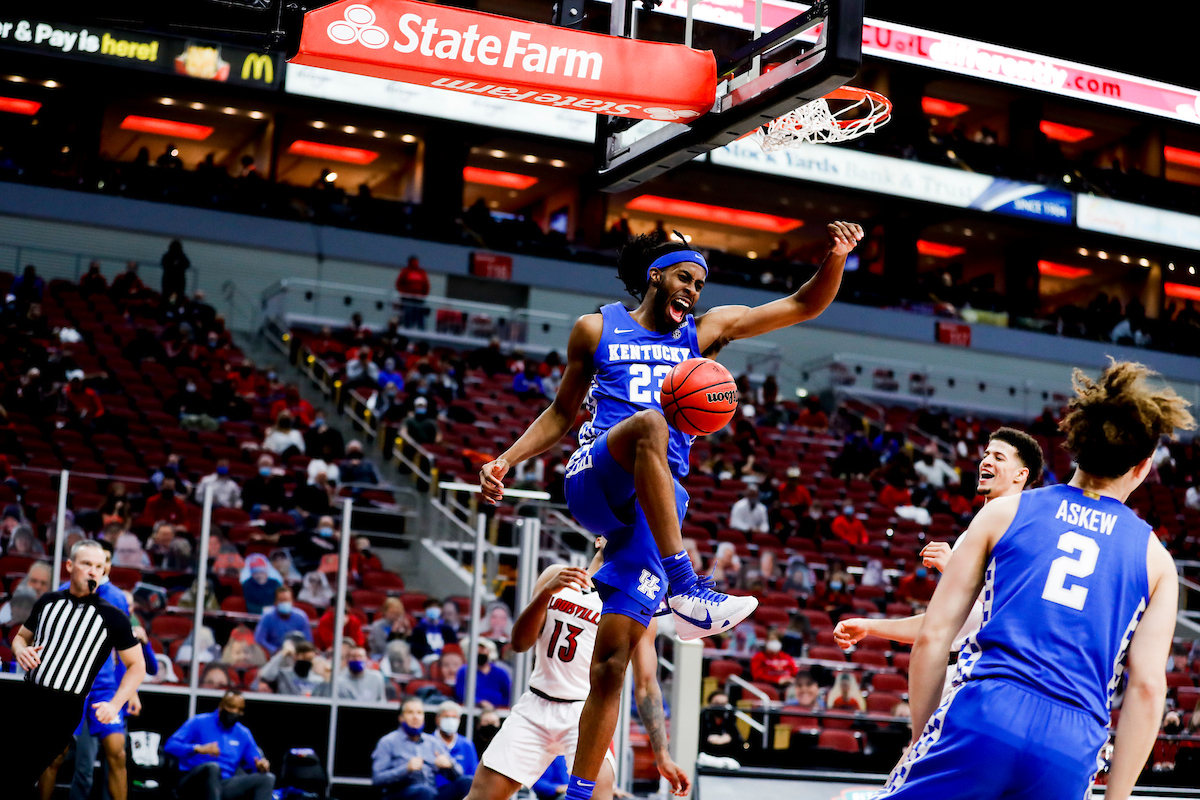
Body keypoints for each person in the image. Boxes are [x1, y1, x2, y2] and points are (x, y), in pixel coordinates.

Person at [479, 222, 860, 800]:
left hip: (657, 506)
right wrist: (506, 459)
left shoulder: (705, 332)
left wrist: (835, 258)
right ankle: (685, 587)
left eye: (701, 283)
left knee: (613, 662)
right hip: (596, 476)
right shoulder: (595, 328)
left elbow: (803, 304)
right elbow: (561, 412)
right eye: (685, 277)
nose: (694, 290)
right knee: (652, 423)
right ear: (656, 275)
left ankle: (580, 792)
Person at [878, 362, 1191, 800]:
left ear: (1074, 445)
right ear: (1142, 467)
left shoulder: (1005, 512)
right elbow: (1146, 687)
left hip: (986, 711)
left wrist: (924, 736)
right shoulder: (1156, 561)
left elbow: (934, 637)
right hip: (1071, 743)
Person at [461, 543, 688, 800]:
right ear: (600, 539)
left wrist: (662, 754)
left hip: (586, 713)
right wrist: (546, 594)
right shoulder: (557, 575)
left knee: (598, 796)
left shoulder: (636, 602)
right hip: (536, 703)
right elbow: (520, 644)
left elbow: (647, 684)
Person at [835, 427, 1045, 699]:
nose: (987, 461)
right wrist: (870, 627)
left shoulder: (1025, 535)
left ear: (1021, 475)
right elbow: (942, 623)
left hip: (987, 680)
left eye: (999, 457)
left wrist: (956, 569)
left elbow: (1017, 614)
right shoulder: (970, 536)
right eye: (986, 454)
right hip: (950, 676)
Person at [3, 540, 146, 796]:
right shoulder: (48, 600)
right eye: (87, 564)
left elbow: (137, 665)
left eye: (99, 566)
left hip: (67, 704)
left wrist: (115, 704)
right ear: (70, 566)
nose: (93, 571)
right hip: (30, 696)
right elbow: (20, 637)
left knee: (31, 768)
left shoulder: (112, 616)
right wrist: (21, 651)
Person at [164, 690, 274, 800]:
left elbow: (256, 761)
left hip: (224, 783)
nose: (234, 712)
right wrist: (197, 748)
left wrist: (261, 766)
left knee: (267, 778)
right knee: (212, 768)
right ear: (221, 706)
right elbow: (169, 747)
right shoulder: (199, 722)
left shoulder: (243, 733)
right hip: (193, 780)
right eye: (231, 707)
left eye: (239, 709)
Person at [373, 697, 472, 800]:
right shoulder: (388, 742)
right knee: (424, 791)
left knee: (467, 782)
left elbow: (459, 774)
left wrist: (449, 765)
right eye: (410, 713)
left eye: (419, 713)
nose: (415, 717)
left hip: (432, 793)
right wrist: (406, 769)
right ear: (401, 717)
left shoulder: (432, 742)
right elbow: (377, 779)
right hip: (400, 794)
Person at [253, 586, 312, 655]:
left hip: (297, 654)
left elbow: (308, 641)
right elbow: (259, 639)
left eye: (287, 600)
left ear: (292, 601)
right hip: (273, 654)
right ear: (275, 602)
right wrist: (275, 650)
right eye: (281, 600)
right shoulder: (267, 616)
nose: (284, 603)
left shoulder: (301, 617)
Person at [317, 644, 387, 701]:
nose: (357, 659)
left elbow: (381, 700)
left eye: (360, 656)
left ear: (366, 659)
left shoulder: (376, 677)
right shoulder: (339, 679)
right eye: (353, 656)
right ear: (347, 660)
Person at [258, 638, 325, 696]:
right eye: (301, 658)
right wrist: (281, 654)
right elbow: (265, 675)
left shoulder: (318, 680)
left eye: (308, 659)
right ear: (295, 657)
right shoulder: (284, 674)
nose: (305, 661)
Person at [433, 702, 478, 787]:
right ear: (437, 719)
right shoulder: (428, 742)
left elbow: (473, 775)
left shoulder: (467, 744)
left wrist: (450, 765)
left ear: (459, 720)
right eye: (446, 717)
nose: (450, 721)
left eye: (454, 717)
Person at [455, 639, 510, 707]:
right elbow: (461, 694)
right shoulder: (464, 671)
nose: (480, 652)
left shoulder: (501, 672)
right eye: (477, 649)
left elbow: (509, 695)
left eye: (483, 649)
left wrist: (495, 706)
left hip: (499, 711)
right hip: (472, 709)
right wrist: (480, 702)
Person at [699, 692, 744, 760]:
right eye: (717, 703)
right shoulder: (703, 718)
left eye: (723, 704)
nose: (720, 707)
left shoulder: (729, 718)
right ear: (710, 703)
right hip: (706, 755)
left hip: (726, 756)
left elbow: (738, 739)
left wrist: (728, 738)